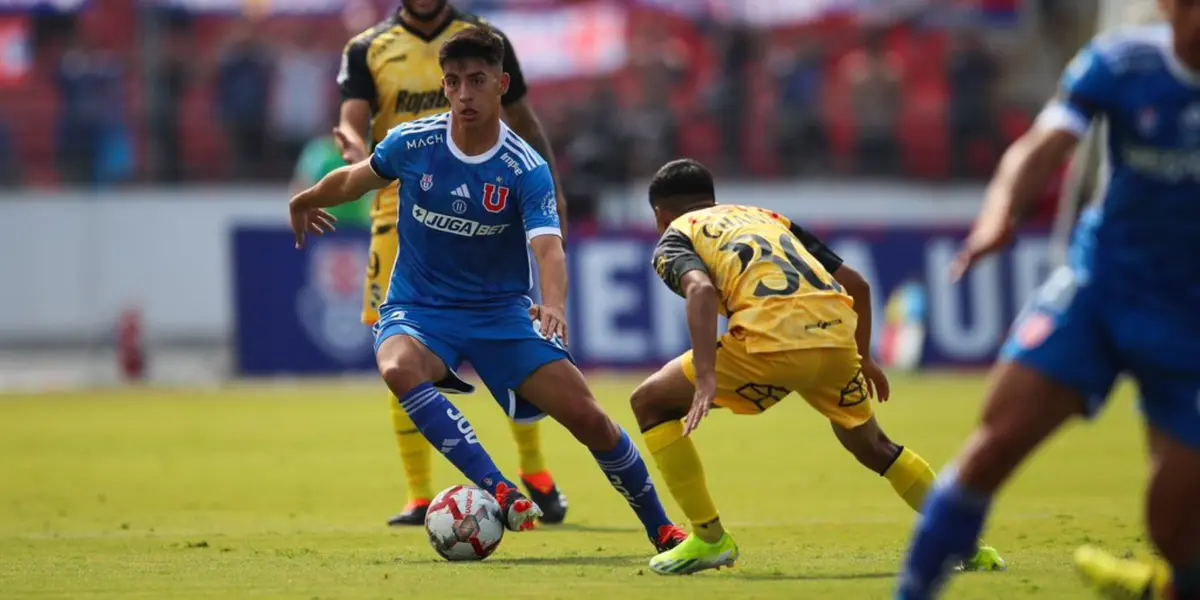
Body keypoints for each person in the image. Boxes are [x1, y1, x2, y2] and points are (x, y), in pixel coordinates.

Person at [289, 26, 688, 551]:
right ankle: (498, 486)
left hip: (501, 315)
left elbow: (549, 248)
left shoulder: (525, 169)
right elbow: (356, 178)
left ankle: (663, 528)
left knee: (590, 419)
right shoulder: (415, 142)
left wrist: (555, 304)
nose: (463, 95)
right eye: (453, 82)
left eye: (476, 81)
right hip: (419, 308)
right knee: (397, 366)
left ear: (501, 85)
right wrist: (306, 198)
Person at [895, 5, 1200, 599]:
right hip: (1101, 291)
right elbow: (1041, 145)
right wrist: (998, 216)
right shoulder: (1122, 63)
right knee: (994, 445)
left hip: (1189, 319)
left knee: (1175, 525)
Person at [630, 158, 1005, 575]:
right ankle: (966, 547)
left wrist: (706, 375)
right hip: (835, 336)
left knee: (650, 402)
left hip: (768, 343)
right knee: (874, 446)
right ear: (711, 199)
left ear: (660, 215)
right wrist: (864, 360)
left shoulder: (677, 236)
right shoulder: (767, 217)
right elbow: (858, 285)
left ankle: (709, 539)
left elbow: (699, 290)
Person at [335, 0, 570, 527]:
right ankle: (419, 494)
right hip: (401, 213)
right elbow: (351, 122)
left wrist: (553, 192)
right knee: (396, 351)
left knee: (507, 335)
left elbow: (524, 120)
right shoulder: (366, 48)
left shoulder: (483, 37)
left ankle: (535, 473)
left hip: (489, 205)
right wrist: (355, 151)